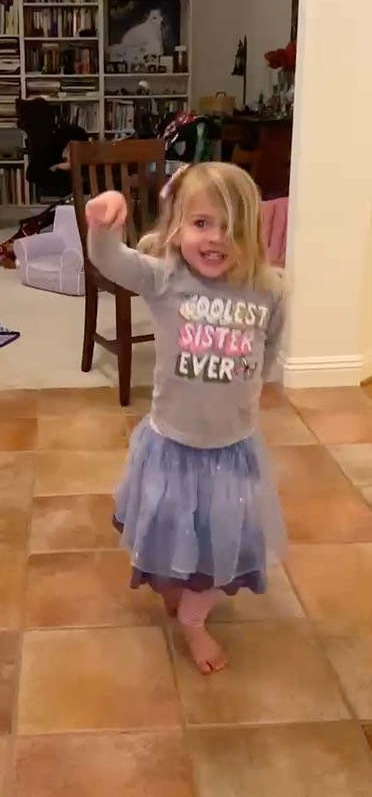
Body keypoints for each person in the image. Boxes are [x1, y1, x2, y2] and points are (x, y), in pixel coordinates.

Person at [86, 162, 286, 675]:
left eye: (231, 226)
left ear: (252, 232)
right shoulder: (164, 278)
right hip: (172, 445)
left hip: (232, 449)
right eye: (201, 223)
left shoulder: (268, 289)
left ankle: (195, 618)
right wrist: (102, 221)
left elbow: (267, 353)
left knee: (226, 545)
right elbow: (109, 259)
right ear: (176, 226)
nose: (215, 238)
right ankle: (179, 591)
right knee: (174, 534)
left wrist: (245, 394)